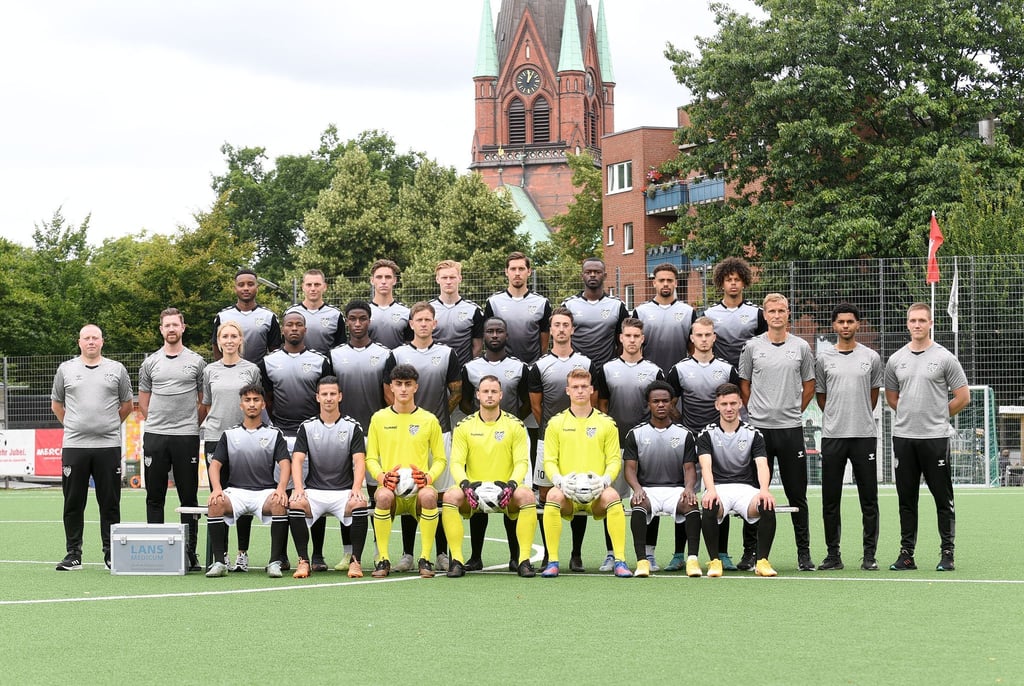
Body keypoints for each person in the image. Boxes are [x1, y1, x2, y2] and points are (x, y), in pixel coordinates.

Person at [884, 303, 969, 572]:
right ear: (907, 324)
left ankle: (947, 553)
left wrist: (937, 416)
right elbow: (892, 397)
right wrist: (912, 414)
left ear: (931, 323)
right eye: (913, 320)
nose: (917, 324)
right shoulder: (896, 359)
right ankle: (907, 555)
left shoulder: (945, 358)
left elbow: (963, 397)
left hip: (935, 439)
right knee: (906, 499)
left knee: (942, 499)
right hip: (904, 438)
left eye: (922, 320)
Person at [738, 293, 817, 571]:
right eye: (771, 311)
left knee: (798, 494)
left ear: (788, 313)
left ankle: (804, 554)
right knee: (754, 493)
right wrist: (757, 411)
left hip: (790, 430)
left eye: (781, 310)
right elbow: (744, 385)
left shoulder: (801, 347)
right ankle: (750, 553)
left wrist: (794, 411)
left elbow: (809, 385)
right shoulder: (751, 347)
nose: (776, 315)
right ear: (765, 314)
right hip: (759, 431)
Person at [384, 301, 461, 572]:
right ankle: (406, 553)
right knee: (407, 485)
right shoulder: (397, 353)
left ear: (434, 323)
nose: (424, 324)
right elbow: (388, 391)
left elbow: (457, 392)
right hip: (405, 430)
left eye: (429, 320)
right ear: (411, 323)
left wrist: (433, 418)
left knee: (436, 493)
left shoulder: (447, 353)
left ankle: (440, 552)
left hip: (439, 430)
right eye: (419, 320)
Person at [51, 324, 134, 571]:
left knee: (109, 501)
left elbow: (127, 405)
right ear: (79, 342)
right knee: (73, 501)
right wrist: (75, 426)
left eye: (95, 338)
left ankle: (111, 553)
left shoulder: (116, 369)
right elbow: (57, 405)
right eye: (86, 338)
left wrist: (106, 426)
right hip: (75, 446)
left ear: (102, 342)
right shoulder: (65, 369)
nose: (90, 342)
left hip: (108, 445)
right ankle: (73, 554)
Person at [702, 257, 766, 570]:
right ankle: (721, 551)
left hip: (745, 391)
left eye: (737, 278)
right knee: (720, 486)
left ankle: (751, 551)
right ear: (720, 282)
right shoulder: (710, 314)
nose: (733, 283)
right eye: (727, 278)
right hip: (720, 387)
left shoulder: (756, 313)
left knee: (749, 482)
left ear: (743, 281)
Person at [259, 310, 334, 570]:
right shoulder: (269, 361)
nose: (293, 328)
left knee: (314, 494)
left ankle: (318, 554)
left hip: (312, 436)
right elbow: (266, 398)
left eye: (298, 325)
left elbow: (325, 395)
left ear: (305, 329)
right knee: (285, 496)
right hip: (281, 435)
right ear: (282, 330)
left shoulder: (319, 360)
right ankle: (281, 554)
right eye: (289, 324)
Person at [442, 375, 537, 578]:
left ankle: (523, 560)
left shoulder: (516, 425)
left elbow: (522, 462)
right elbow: (457, 463)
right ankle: (457, 560)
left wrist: (511, 485)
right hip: (473, 492)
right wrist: (466, 485)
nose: (490, 395)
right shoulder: (464, 426)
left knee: (527, 497)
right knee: (450, 497)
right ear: (477, 395)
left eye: (494, 391)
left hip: (506, 491)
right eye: (485, 391)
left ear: (501, 395)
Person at [666, 316, 741, 571]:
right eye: (699, 335)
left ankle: (722, 551)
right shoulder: (679, 369)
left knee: (720, 493)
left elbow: (731, 403)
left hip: (718, 441)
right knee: (685, 494)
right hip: (689, 440)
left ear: (714, 337)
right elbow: (670, 403)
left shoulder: (727, 369)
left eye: (708, 335)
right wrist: (685, 426)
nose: (704, 339)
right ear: (692, 338)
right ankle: (679, 553)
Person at [540, 368, 631, 578]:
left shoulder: (607, 423)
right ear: (567, 391)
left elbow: (614, 459)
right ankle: (553, 561)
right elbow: (549, 460)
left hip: (596, 491)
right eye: (575, 387)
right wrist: (559, 481)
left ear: (591, 390)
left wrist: (605, 481)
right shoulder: (555, 423)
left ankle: (620, 560)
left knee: (613, 497)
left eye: (584, 387)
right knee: (552, 496)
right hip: (568, 491)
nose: (580, 391)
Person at [815, 303, 883, 571]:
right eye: (841, 322)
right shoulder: (823, 358)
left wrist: (858, 413)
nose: (845, 326)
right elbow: (821, 396)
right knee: (830, 499)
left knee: (869, 499)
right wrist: (836, 415)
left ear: (858, 325)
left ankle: (869, 555)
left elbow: (874, 394)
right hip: (833, 435)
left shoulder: (872, 357)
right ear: (834, 326)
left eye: (850, 322)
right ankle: (833, 555)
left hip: (864, 434)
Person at [459, 316, 531, 570]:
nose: (495, 335)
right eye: (489, 331)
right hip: (480, 439)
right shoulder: (470, 367)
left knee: (512, 497)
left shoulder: (519, 367)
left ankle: (517, 558)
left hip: (508, 437)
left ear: (506, 335)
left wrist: (508, 423)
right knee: (478, 496)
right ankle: (474, 557)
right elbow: (463, 401)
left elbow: (527, 402)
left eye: (500, 330)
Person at [138, 308, 207, 571]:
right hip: (155, 436)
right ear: (161, 330)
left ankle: (190, 553)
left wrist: (191, 422)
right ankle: (156, 553)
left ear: (183, 328)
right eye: (166, 325)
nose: (171, 329)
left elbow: (204, 400)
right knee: (154, 496)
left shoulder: (196, 362)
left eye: (175, 325)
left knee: (188, 497)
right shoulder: (150, 363)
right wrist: (155, 421)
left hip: (186, 436)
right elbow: (143, 398)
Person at [594, 317, 664, 570]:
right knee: (612, 497)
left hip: (646, 445)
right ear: (620, 338)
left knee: (649, 498)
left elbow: (659, 407)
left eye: (637, 336)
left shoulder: (655, 370)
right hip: (615, 445)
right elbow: (601, 406)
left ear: (642, 339)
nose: (632, 340)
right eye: (628, 336)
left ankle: (649, 553)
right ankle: (612, 553)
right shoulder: (607, 369)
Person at [365, 364, 447, 578]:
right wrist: (382, 477)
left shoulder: (429, 420)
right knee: (381, 495)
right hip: (392, 489)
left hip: (418, 490)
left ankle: (425, 558)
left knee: (430, 495)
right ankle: (382, 559)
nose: (403, 389)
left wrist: (428, 477)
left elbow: (440, 459)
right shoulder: (379, 419)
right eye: (399, 384)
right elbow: (371, 458)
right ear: (391, 387)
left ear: (415, 387)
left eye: (408, 384)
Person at [528, 306, 593, 570]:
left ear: (573, 329)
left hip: (580, 439)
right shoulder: (539, 366)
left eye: (566, 325)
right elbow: (536, 407)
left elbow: (594, 401)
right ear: (551, 330)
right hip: (548, 440)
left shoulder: (587, 363)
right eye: (557, 325)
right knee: (546, 496)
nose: (562, 329)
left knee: (582, 490)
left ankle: (576, 553)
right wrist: (555, 429)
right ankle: (548, 552)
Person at [329, 299, 390, 570]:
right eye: (352, 319)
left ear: (369, 321)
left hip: (375, 433)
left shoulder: (385, 354)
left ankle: (380, 551)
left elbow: (388, 396)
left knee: (378, 494)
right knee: (347, 494)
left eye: (362, 318)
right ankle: (348, 552)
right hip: (345, 434)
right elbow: (328, 394)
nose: (357, 323)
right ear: (346, 321)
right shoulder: (334, 355)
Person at [204, 384, 291, 578]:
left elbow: (285, 464)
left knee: (279, 503)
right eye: (247, 400)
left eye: (256, 400)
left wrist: (281, 488)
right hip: (236, 491)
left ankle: (274, 562)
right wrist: (217, 488)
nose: (252, 404)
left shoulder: (274, 434)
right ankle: (219, 562)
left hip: (264, 492)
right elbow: (215, 465)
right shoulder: (229, 434)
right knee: (215, 503)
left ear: (263, 405)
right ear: (241, 405)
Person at [287, 376, 370, 579]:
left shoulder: (353, 427)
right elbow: (297, 460)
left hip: (343, 492)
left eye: (333, 394)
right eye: (324, 394)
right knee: (295, 503)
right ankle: (303, 561)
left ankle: (356, 562)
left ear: (340, 396)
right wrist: (298, 489)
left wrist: (357, 488)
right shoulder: (307, 427)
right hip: (315, 491)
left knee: (360, 503)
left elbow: (359, 461)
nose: (329, 398)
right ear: (317, 397)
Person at [697, 383, 779, 577]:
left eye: (733, 403)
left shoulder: (753, 433)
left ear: (740, 404)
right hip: (719, 487)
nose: (729, 408)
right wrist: (710, 490)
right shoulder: (706, 433)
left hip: (745, 489)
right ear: (717, 405)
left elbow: (762, 465)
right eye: (724, 404)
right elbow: (705, 466)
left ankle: (762, 562)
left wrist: (764, 490)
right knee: (709, 504)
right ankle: (714, 561)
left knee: (766, 504)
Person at [199, 320, 262, 571]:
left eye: (233, 336)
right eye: (224, 336)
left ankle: (242, 554)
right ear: (218, 341)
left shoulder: (252, 370)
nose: (228, 340)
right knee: (219, 494)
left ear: (240, 340)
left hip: (245, 438)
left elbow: (255, 402)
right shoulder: (209, 371)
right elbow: (206, 403)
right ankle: (221, 554)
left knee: (244, 493)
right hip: (215, 436)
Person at [623, 381, 700, 577]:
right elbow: (630, 469)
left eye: (665, 401)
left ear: (671, 404)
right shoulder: (636, 433)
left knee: (691, 504)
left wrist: (689, 488)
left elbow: (690, 468)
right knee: (638, 503)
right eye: (656, 401)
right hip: (648, 489)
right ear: (648, 404)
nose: (661, 405)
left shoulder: (684, 434)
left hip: (675, 490)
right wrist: (637, 488)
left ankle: (692, 560)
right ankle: (642, 562)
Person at [483, 251, 552, 365]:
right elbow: (489, 337)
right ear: (506, 272)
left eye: (521, 269)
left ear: (529, 271)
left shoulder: (542, 303)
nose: (517, 273)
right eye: (513, 269)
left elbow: (544, 340)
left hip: (532, 366)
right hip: (502, 366)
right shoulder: (493, 302)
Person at [561, 257, 629, 370]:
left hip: (606, 369)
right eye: (588, 272)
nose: (592, 275)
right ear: (582, 275)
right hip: (576, 369)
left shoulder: (617, 305)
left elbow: (623, 340)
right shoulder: (569, 305)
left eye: (597, 272)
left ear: (605, 275)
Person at [632, 263, 697, 374]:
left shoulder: (688, 312)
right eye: (661, 280)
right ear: (654, 283)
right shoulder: (640, 312)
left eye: (669, 280)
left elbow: (693, 347)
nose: (665, 284)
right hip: (648, 374)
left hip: (680, 374)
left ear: (676, 283)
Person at [211, 268, 282, 363]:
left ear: (257, 288)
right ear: (235, 288)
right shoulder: (223, 316)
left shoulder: (268, 316)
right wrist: (224, 369)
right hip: (231, 373)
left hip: (259, 374)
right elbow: (216, 346)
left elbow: (275, 350)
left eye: (250, 284)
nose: (246, 288)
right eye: (241, 285)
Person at [431, 259, 485, 366]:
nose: (448, 281)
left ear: (460, 278)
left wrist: (466, 369)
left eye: (452, 277)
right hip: (435, 370)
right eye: (444, 277)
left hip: (463, 372)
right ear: (437, 279)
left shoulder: (474, 310)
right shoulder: (428, 310)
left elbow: (478, 347)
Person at [284, 268, 346, 354]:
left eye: (317, 285)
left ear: (324, 287)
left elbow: (341, 346)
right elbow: (284, 343)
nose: (313, 288)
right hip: (298, 364)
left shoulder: (335, 314)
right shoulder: (291, 313)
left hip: (326, 365)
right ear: (303, 287)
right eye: (309, 285)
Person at [367, 259, 410, 349]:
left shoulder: (406, 312)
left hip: (398, 362)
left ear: (394, 280)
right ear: (372, 280)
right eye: (379, 277)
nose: (383, 281)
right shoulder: (364, 312)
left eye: (388, 277)